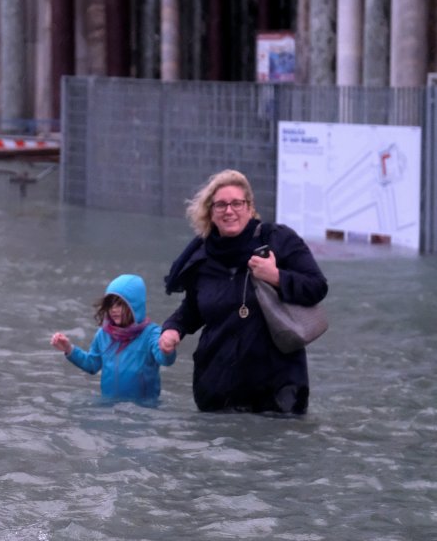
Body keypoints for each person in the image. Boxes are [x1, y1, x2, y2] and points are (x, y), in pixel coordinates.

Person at [158, 169, 328, 414]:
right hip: (218, 390)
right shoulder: (202, 258)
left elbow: (317, 287)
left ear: (250, 207)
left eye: (237, 203)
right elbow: (193, 309)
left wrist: (277, 277)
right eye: (221, 205)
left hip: (278, 392)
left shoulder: (278, 240)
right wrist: (173, 329)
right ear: (210, 212)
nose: (229, 211)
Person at [50, 274, 175, 406]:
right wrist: (69, 349)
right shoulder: (103, 334)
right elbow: (92, 364)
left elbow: (165, 360)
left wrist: (167, 350)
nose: (113, 309)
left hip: (143, 409)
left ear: (135, 305)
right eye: (110, 304)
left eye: (120, 304)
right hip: (109, 408)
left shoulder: (151, 333)